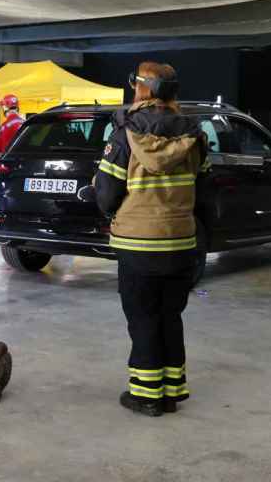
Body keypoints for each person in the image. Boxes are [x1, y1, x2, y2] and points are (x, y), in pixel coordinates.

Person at [94, 61, 207, 418]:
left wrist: (115, 213)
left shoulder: (124, 133)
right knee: (170, 316)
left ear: (142, 89)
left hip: (138, 244)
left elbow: (106, 193)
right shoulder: (194, 135)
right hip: (180, 243)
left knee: (142, 317)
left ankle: (145, 396)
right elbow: (202, 190)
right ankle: (171, 392)